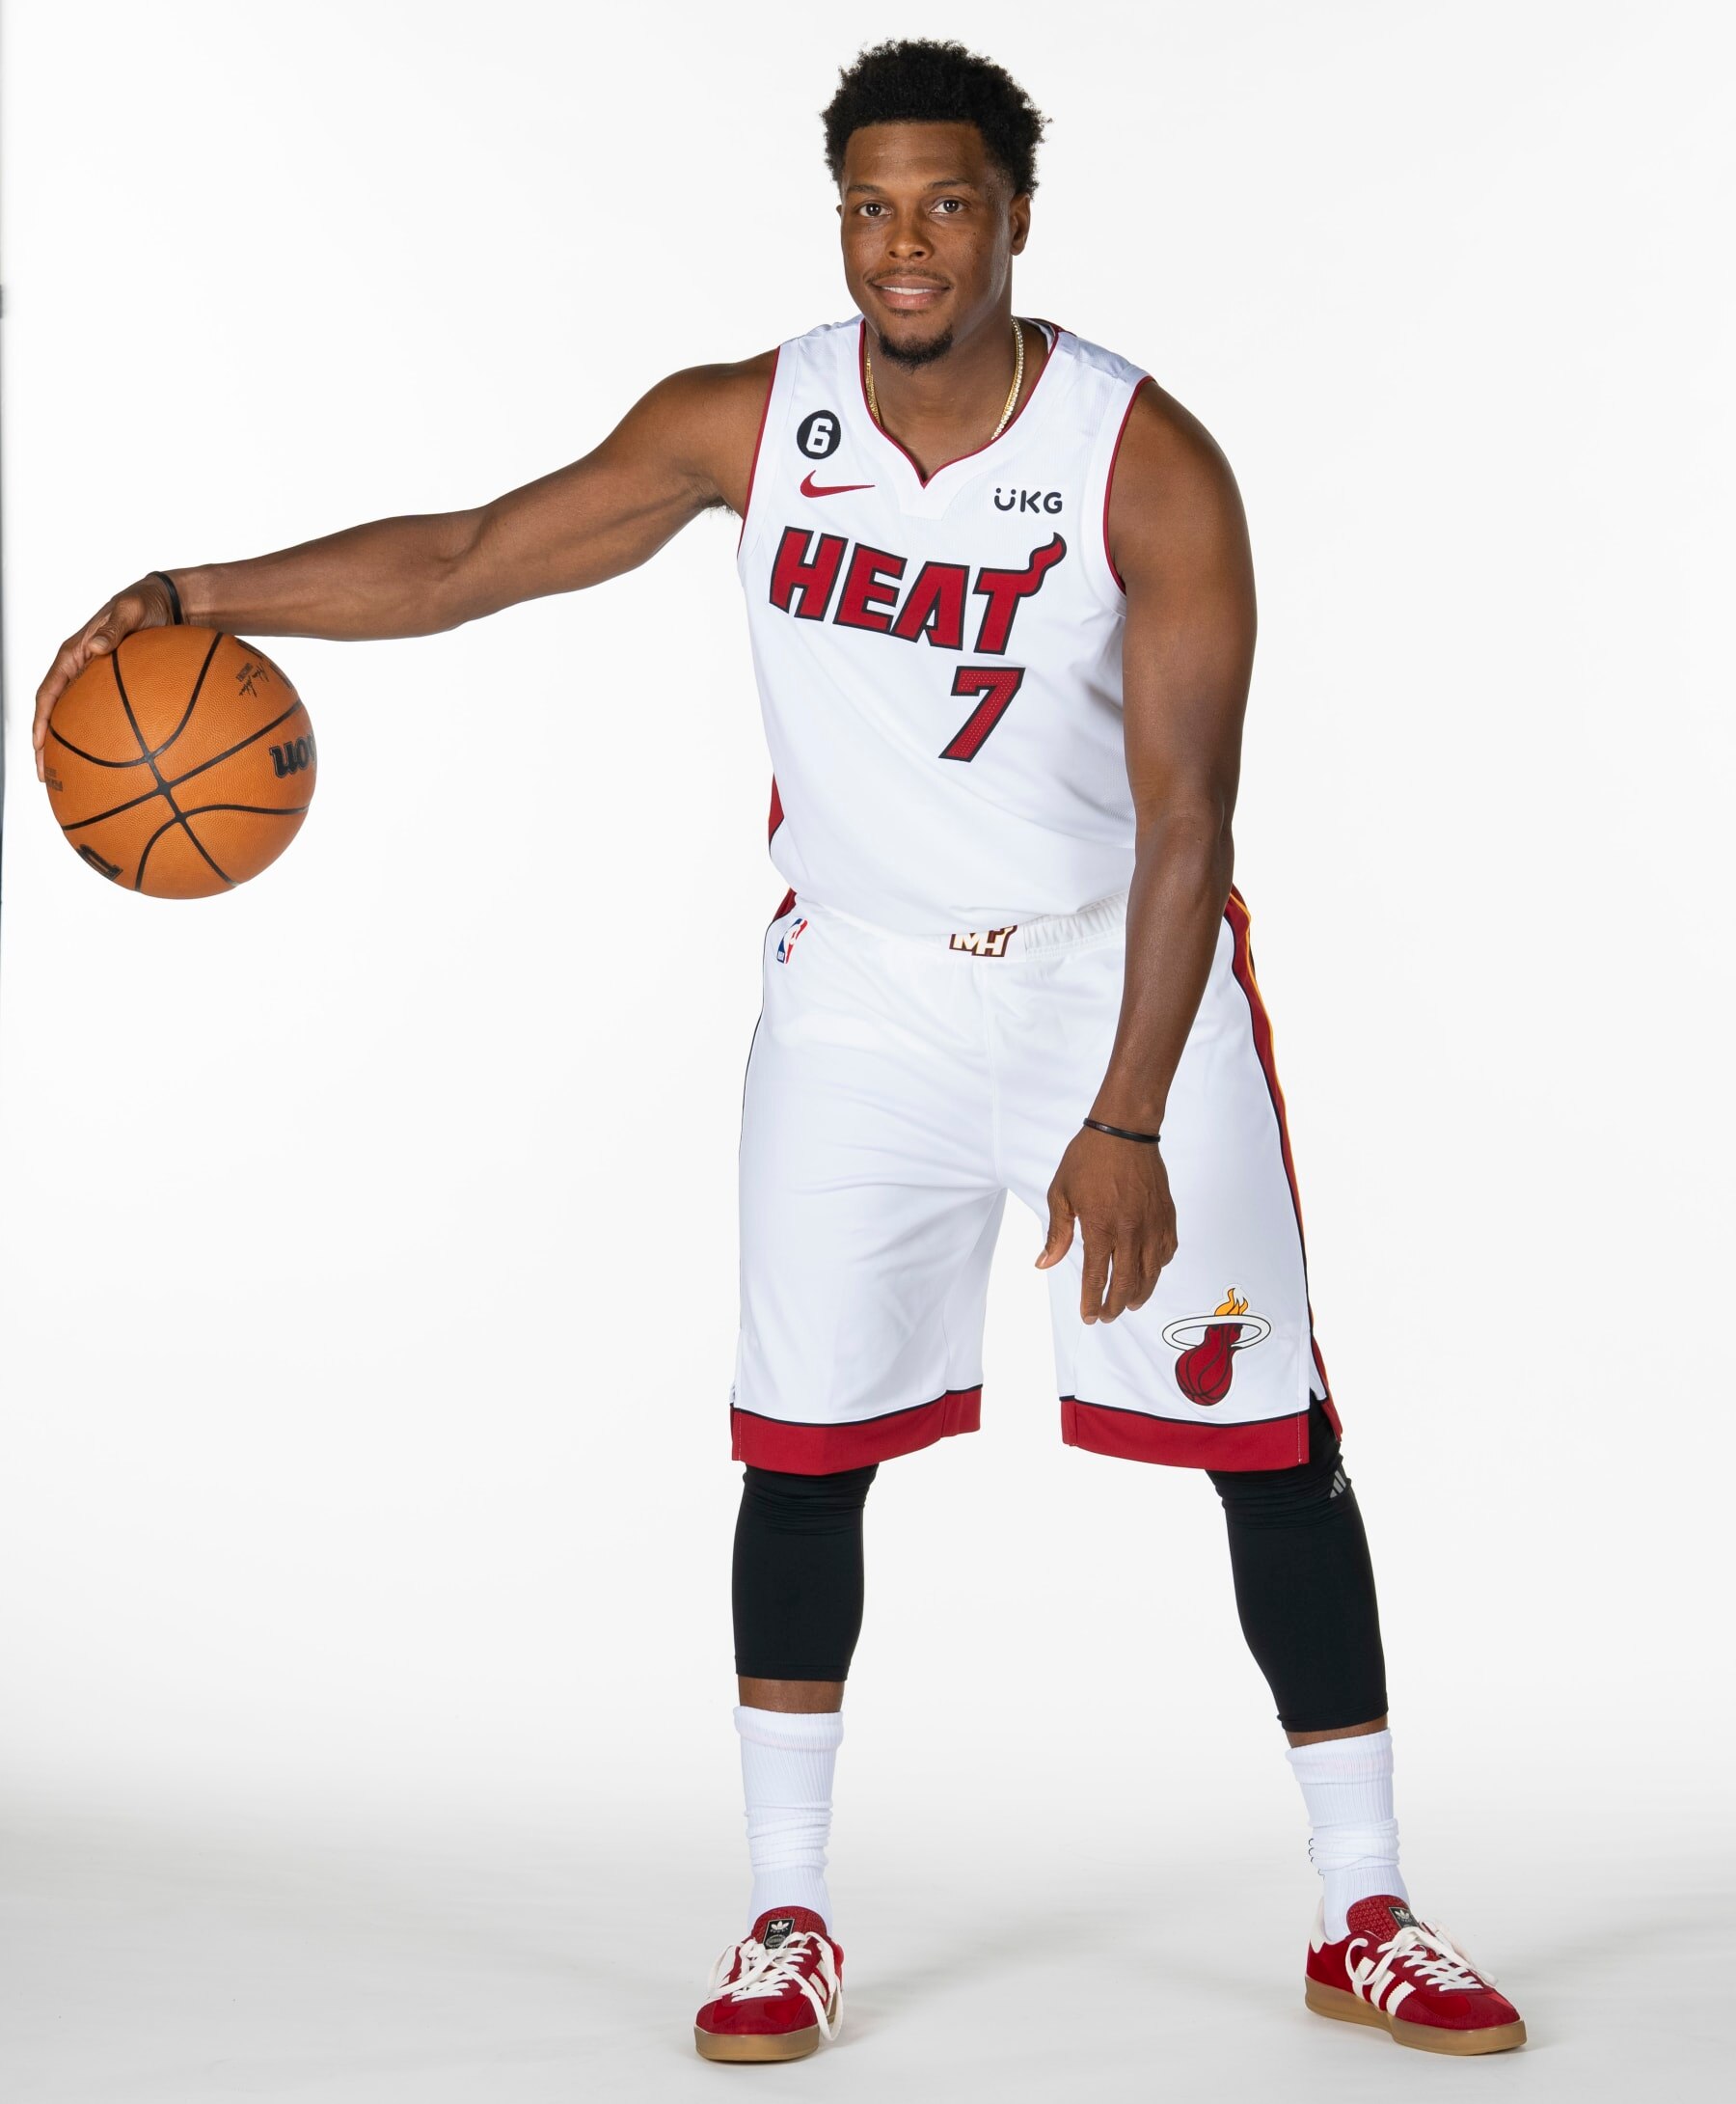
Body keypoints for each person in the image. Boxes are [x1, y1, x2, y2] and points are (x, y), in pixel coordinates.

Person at [34, 36, 1526, 2068]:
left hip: (1113, 976)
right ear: (840, 214)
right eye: (871, 203)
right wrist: (196, 591)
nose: (904, 243)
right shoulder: (752, 419)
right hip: (859, 996)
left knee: (1267, 1436)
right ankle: (786, 1915)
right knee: (800, 1451)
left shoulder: (1139, 457)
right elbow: (476, 553)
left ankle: (1367, 1908)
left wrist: (1125, 1110)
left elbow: (1192, 821)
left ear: (1014, 214)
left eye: (946, 204)